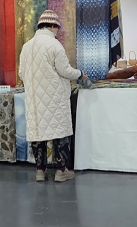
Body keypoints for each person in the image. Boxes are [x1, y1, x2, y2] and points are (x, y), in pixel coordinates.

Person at [19, 10, 87, 182]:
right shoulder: (54, 45)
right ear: (52, 26)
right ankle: (61, 171)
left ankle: (40, 171)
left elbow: (21, 73)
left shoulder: (27, 46)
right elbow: (65, 71)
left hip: (34, 98)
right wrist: (80, 74)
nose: (57, 31)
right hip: (55, 97)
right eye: (57, 27)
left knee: (37, 134)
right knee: (60, 133)